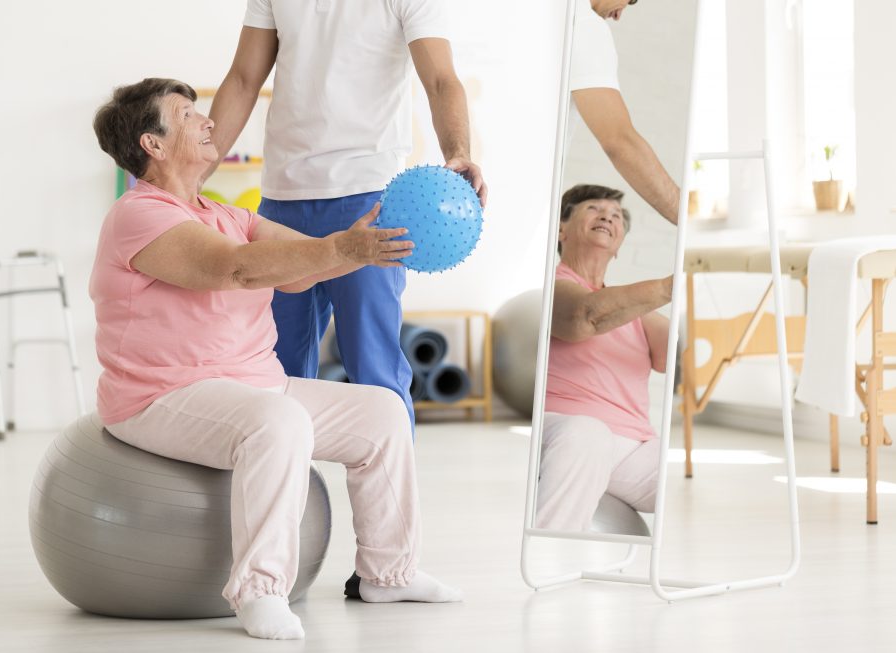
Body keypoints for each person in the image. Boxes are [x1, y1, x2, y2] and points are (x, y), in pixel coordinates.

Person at [89, 78, 461, 641]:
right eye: (188, 115)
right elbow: (234, 268)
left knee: (383, 412)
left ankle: (389, 572)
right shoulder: (139, 215)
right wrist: (342, 247)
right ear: (153, 145)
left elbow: (300, 267)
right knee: (279, 420)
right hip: (161, 396)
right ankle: (260, 590)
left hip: (254, 385)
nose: (208, 121)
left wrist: (367, 242)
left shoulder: (228, 215)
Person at [205, 0, 487, 435]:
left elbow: (440, 79)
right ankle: (290, 499)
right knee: (275, 373)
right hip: (282, 198)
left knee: (375, 372)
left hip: (369, 199)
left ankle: (391, 503)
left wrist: (458, 153)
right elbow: (243, 80)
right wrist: (194, 174)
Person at [535, 184, 671, 531]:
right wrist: (671, 286)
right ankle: (549, 553)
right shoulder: (552, 286)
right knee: (588, 432)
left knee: (693, 473)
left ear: (620, 245)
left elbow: (676, 356)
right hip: (565, 429)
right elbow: (584, 316)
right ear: (561, 230)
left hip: (633, 447)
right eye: (594, 209)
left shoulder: (637, 310)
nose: (607, 217)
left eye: (615, 216)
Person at [570, 0, 681, 224]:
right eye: (631, 0)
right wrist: (688, 219)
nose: (619, 15)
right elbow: (620, 141)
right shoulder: (583, 24)